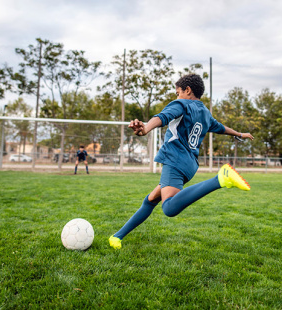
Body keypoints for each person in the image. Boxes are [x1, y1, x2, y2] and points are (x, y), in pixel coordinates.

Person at [109, 74, 254, 250]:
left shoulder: (181, 104)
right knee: (151, 200)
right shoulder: (205, 113)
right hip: (189, 165)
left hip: (175, 160)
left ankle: (220, 179)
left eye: (178, 92)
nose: (176, 97)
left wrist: (146, 128)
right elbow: (221, 128)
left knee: (169, 208)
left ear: (187, 90)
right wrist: (240, 134)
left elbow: (162, 117)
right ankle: (117, 236)